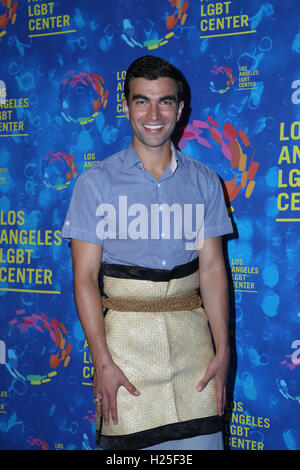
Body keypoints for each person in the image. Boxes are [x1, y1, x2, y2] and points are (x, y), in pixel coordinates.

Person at [61, 55, 233, 451]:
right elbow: (85, 279)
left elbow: (211, 270)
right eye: (142, 101)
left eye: (165, 101)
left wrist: (223, 352)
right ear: (126, 106)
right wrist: (101, 361)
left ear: (180, 108)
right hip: (124, 357)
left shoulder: (206, 182)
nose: (154, 114)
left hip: (196, 357)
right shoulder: (95, 184)